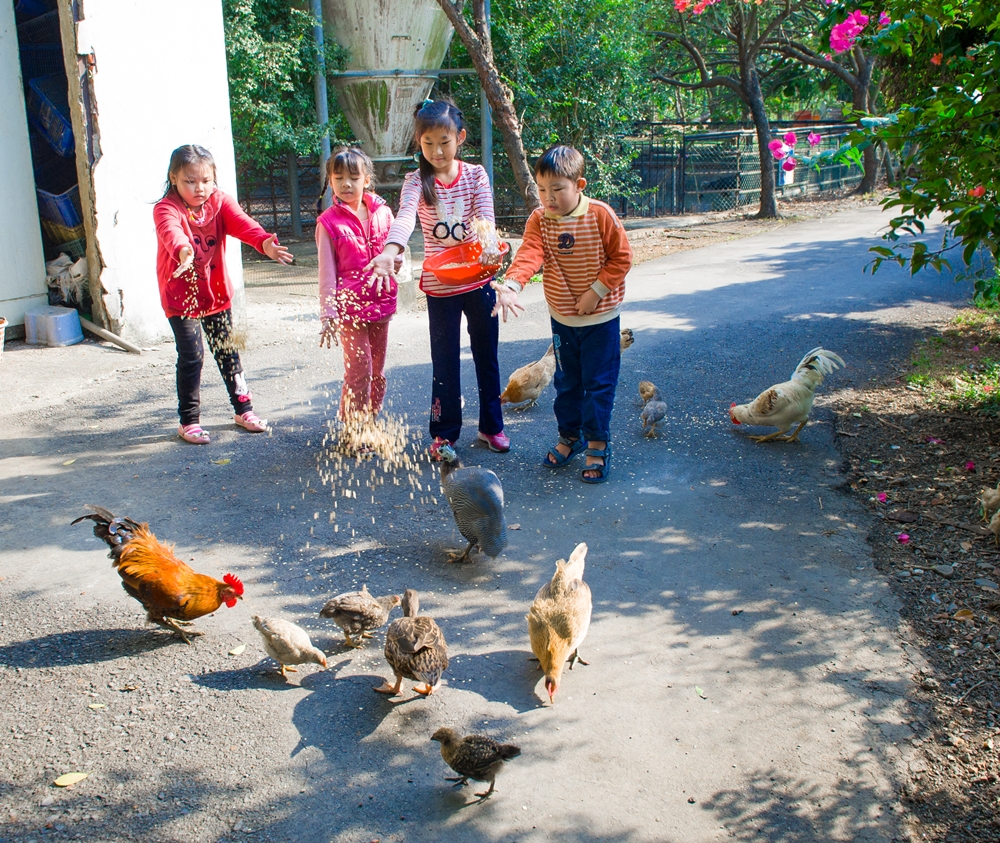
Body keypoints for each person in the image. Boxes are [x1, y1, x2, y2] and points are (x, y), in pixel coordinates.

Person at [365, 97, 510, 459]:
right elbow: (405, 216)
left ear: (460, 137)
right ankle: (444, 433)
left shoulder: (475, 175)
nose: (437, 151)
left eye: (444, 142)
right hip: (440, 284)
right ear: (419, 142)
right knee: (444, 360)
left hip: (479, 279)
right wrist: (390, 250)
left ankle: (492, 426)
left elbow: (485, 218)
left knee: (486, 354)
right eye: (428, 143)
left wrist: (491, 249)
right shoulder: (416, 180)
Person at [494, 145, 633, 483]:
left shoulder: (600, 215)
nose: (548, 198)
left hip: (601, 319)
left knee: (598, 384)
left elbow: (622, 258)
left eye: (557, 189)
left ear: (579, 185)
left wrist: (595, 292)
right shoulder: (540, 219)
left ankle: (598, 443)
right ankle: (571, 436)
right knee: (566, 382)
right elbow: (529, 253)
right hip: (563, 320)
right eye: (542, 190)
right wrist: (512, 285)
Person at [154, 144, 293, 444]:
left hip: (216, 294)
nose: (200, 188)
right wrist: (184, 250)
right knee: (192, 356)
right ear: (174, 178)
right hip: (181, 297)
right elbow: (171, 231)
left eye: (206, 180)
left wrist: (265, 243)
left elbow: (244, 224)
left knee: (228, 351)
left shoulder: (219, 202)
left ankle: (244, 410)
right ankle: (189, 421)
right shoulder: (167, 207)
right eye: (190, 181)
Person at [316, 147, 397, 447]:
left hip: (381, 304)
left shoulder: (384, 213)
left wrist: (397, 262)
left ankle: (370, 421)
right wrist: (328, 313)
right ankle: (353, 429)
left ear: (367, 179)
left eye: (353, 177)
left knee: (377, 370)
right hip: (349, 310)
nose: (346, 184)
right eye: (338, 178)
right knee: (359, 369)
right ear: (330, 181)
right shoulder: (328, 223)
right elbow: (326, 272)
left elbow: (396, 251)